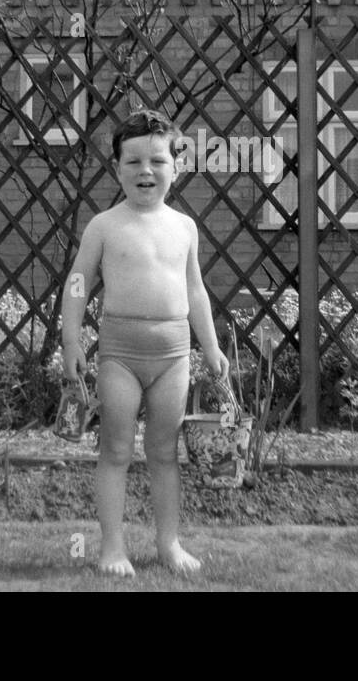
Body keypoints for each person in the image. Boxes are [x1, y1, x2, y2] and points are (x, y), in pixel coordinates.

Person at [60, 108, 229, 576]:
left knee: (163, 452)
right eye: (132, 162)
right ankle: (112, 549)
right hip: (120, 356)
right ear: (116, 168)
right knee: (115, 450)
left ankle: (169, 544)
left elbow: (195, 290)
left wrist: (210, 348)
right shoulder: (104, 226)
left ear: (175, 166)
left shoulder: (184, 228)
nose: (145, 171)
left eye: (157, 160)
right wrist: (71, 341)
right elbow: (78, 281)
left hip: (174, 356)